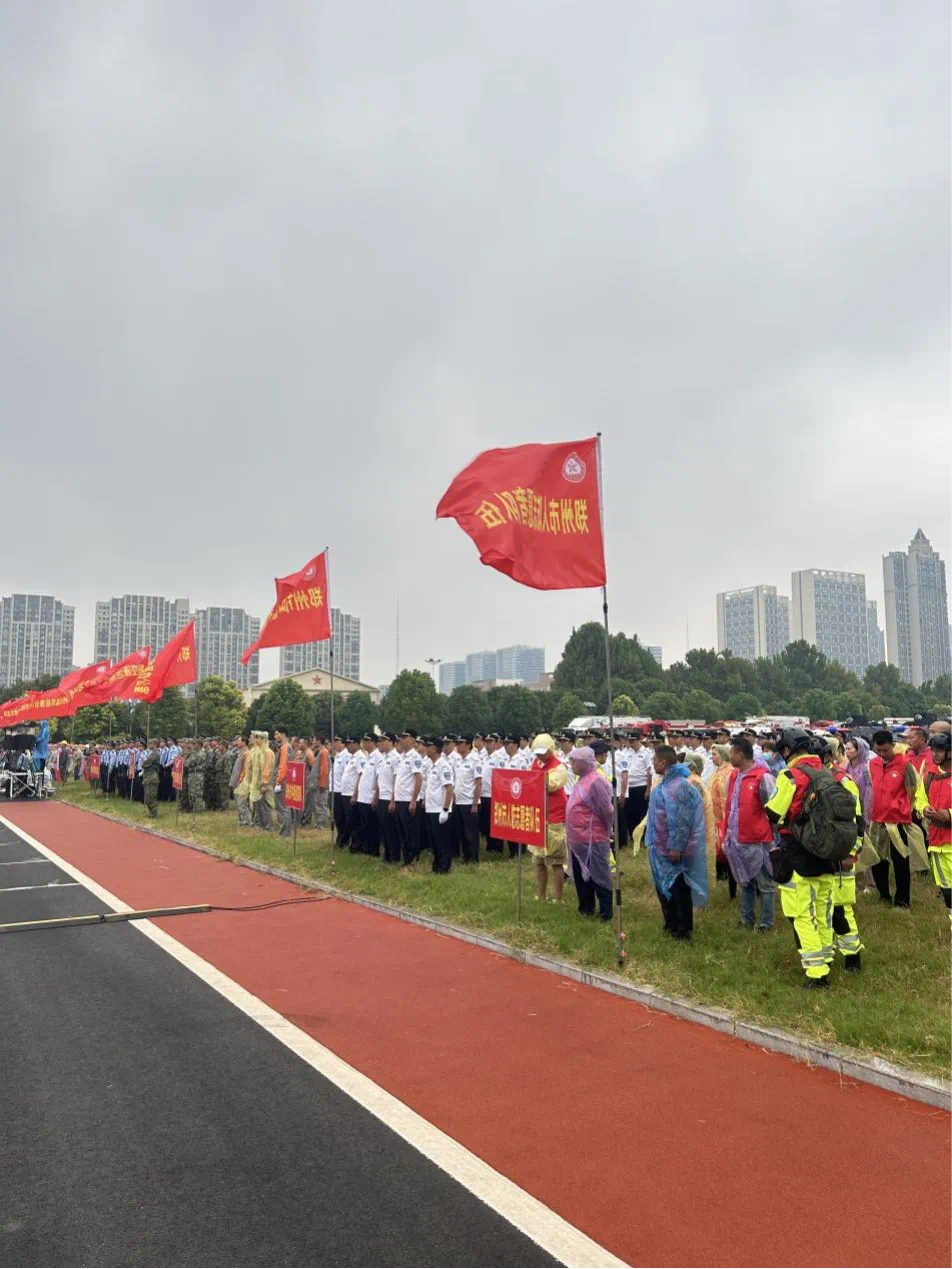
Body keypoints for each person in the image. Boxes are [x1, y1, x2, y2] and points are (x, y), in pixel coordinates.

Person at [764, 729, 836, 988]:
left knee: (802, 914)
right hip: (827, 851)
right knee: (824, 911)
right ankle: (826, 960)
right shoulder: (829, 773)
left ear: (787, 751)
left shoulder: (790, 776)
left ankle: (816, 974)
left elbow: (773, 812)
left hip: (797, 851)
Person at [646, 746, 707, 940]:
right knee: (664, 887)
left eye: (655, 760)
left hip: (673, 850)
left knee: (678, 889)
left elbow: (680, 821)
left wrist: (675, 847)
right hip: (659, 848)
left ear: (663, 762)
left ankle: (683, 930)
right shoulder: (663, 784)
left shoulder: (679, 786)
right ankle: (670, 924)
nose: (653, 763)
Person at [869, 729, 927, 910]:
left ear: (893, 746)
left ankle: (902, 901)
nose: (883, 755)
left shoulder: (904, 764)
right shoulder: (873, 764)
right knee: (878, 860)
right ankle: (884, 895)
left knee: (901, 862)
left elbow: (913, 788)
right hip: (878, 819)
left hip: (898, 821)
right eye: (879, 751)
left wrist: (903, 808)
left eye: (886, 750)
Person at [721, 736, 776, 931]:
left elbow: (774, 808)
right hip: (738, 839)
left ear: (740, 754)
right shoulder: (734, 776)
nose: (729, 757)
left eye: (731, 753)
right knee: (745, 883)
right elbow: (730, 806)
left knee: (766, 884)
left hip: (758, 840)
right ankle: (746, 921)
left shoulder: (762, 777)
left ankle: (766, 924)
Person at [821, 739, 866, 971]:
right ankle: (827, 954)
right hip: (823, 855)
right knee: (823, 909)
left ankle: (852, 956)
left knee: (841, 909)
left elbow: (858, 822)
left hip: (842, 856)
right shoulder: (817, 779)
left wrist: (851, 853)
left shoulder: (843, 781)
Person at [565, 746, 615, 921]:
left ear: (584, 763)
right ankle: (585, 908)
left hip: (593, 838)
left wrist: (609, 829)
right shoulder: (581, 780)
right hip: (578, 840)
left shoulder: (596, 782)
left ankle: (605, 912)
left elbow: (606, 810)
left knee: (599, 875)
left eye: (574, 762)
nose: (571, 765)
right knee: (581, 876)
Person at [528, 734, 568, 901]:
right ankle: (542, 895)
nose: (540, 756)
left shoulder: (559, 767)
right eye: (537, 753)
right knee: (539, 861)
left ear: (551, 750)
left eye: (543, 753)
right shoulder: (535, 764)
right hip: (538, 816)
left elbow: (551, 785)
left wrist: (534, 780)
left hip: (555, 818)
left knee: (556, 861)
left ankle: (558, 898)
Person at [921, 729, 952, 938]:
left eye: (940, 750)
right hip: (937, 843)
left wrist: (949, 814)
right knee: (947, 890)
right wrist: (923, 808)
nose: (935, 754)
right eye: (933, 750)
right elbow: (919, 797)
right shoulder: (929, 774)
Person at [423, 736, 455, 874]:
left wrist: (445, 809)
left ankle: (444, 867)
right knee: (434, 841)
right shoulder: (431, 765)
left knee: (442, 840)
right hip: (431, 808)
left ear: (434, 749)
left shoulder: (443, 765)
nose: (425, 749)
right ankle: (436, 866)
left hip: (439, 809)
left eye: (428, 746)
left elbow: (449, 789)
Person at [392, 730, 424, 867]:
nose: (402, 740)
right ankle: (406, 858)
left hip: (408, 800)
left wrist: (413, 800)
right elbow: (398, 780)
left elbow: (418, 779)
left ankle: (413, 858)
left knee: (410, 831)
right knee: (402, 831)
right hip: (399, 799)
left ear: (412, 740)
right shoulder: (402, 757)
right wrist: (393, 799)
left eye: (405, 738)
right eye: (401, 737)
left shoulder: (415, 757)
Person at [452, 736, 482, 864]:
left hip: (470, 802)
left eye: (460, 743)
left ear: (468, 745)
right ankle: (466, 856)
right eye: (457, 743)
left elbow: (478, 783)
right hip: (459, 801)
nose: (457, 746)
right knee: (461, 832)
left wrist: (475, 803)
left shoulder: (475, 760)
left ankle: (473, 858)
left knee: (471, 833)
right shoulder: (458, 761)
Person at [375, 732, 401, 863]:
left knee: (391, 829)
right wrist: (376, 796)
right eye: (380, 740)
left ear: (391, 742)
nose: (380, 743)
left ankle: (394, 856)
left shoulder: (396, 758)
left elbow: (397, 781)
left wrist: (393, 800)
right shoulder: (382, 758)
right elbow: (380, 779)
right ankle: (387, 855)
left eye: (383, 740)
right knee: (383, 828)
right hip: (381, 797)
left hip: (389, 798)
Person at [355, 734, 381, 856]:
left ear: (373, 742)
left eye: (366, 741)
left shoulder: (378, 757)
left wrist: (375, 797)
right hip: (362, 797)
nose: (363, 743)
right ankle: (366, 847)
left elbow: (378, 779)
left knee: (372, 826)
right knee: (364, 825)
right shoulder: (367, 757)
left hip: (370, 797)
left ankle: (373, 850)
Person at [142, 739, 161, 819]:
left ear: (155, 744)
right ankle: (151, 813)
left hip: (152, 777)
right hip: (148, 777)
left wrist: (145, 762)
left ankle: (154, 814)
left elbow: (145, 764)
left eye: (151, 743)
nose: (149, 744)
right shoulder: (151, 753)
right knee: (147, 796)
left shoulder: (155, 754)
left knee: (151, 796)